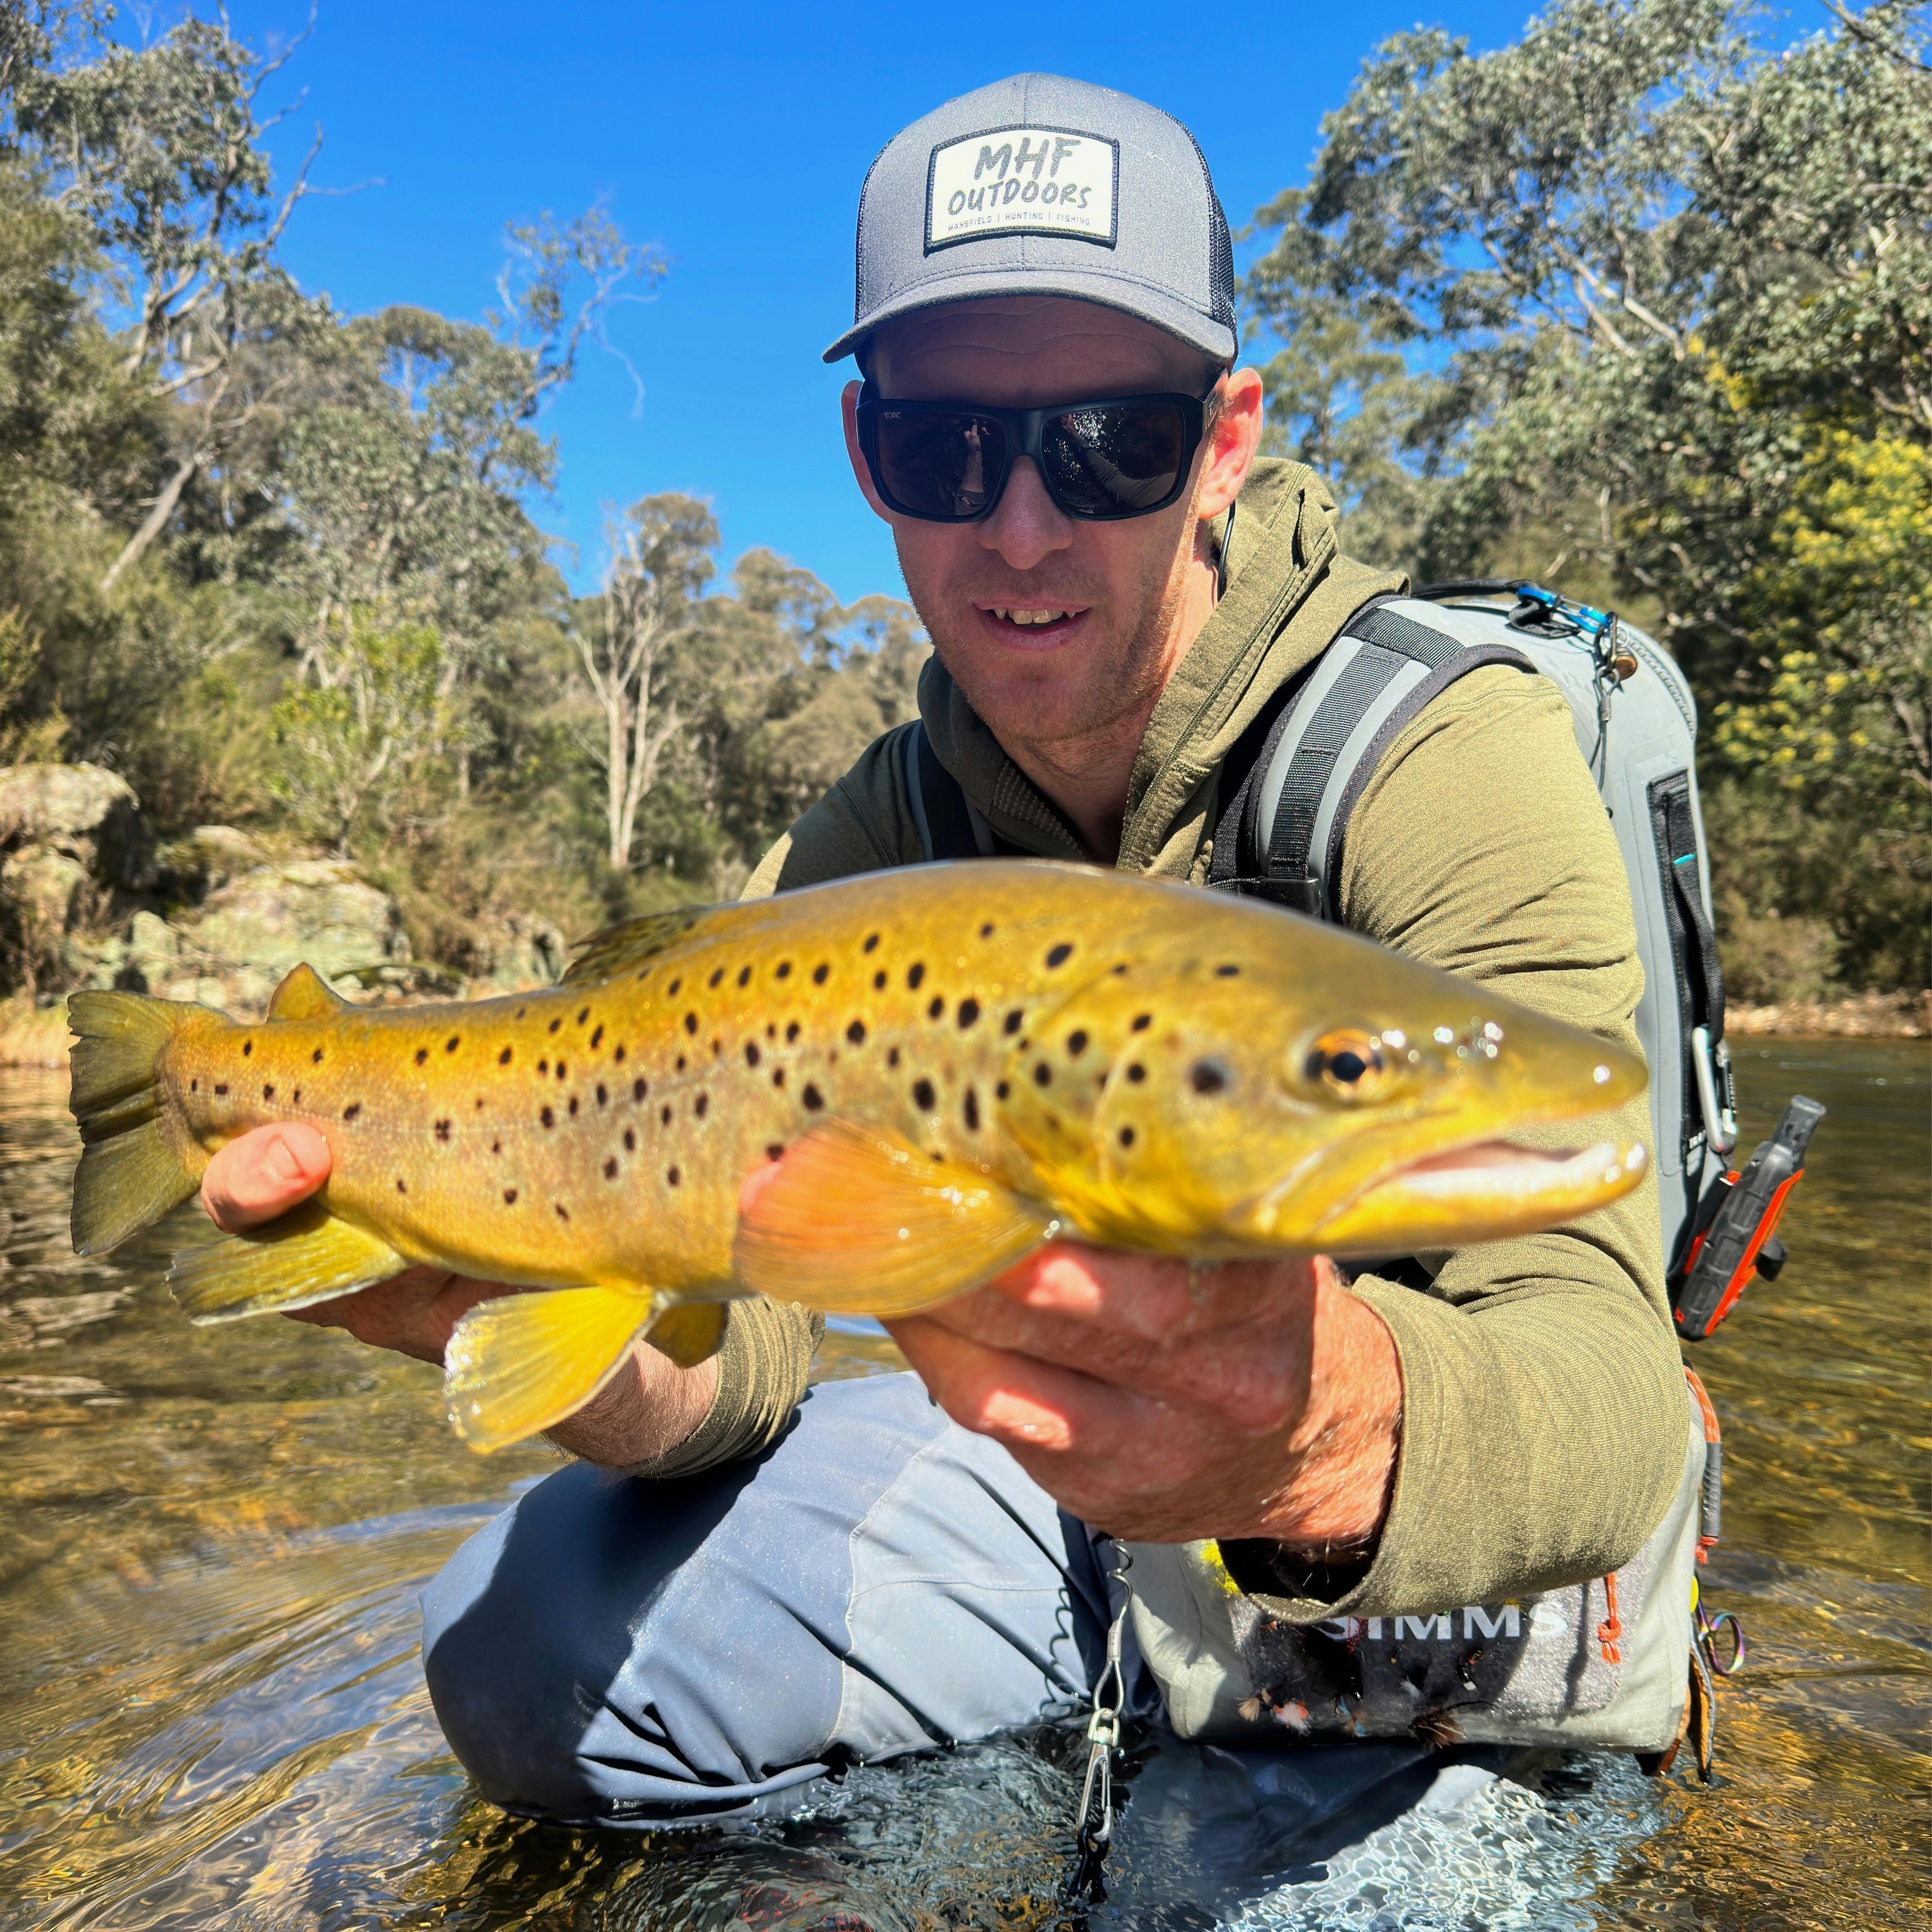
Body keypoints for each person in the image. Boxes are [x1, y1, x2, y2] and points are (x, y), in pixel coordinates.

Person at [200, 75, 1690, 1842]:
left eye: (1110, 441)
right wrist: (528, 1305)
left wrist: (1319, 1441)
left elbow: (1612, 1382)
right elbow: (740, 1355)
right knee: (526, 1654)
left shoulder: (1444, 753)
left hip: (1424, 1564)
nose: (1024, 528)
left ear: (1224, 440)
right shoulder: (866, 852)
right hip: (1065, 1508)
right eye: (948, 451)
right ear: (866, 459)